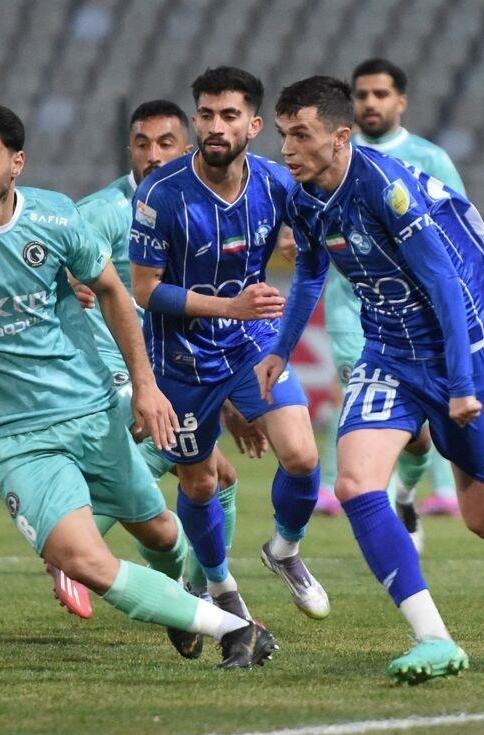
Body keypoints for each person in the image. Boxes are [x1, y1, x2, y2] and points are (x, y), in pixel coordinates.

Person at [0, 102, 274, 669]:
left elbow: (112, 290)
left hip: (93, 413)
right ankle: (234, 628)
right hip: (15, 436)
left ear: (16, 163)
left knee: (162, 533)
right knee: (80, 558)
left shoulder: (58, 217)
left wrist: (145, 387)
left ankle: (181, 600)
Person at [264, 76, 484, 683]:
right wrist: (281, 350)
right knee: (355, 484)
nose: (288, 149)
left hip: (461, 348)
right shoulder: (303, 198)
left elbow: (445, 285)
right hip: (387, 352)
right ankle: (433, 637)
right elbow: (309, 273)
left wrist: (462, 383)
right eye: (283, 135)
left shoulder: (385, 186)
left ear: (340, 137)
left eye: (301, 135)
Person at [49, 100, 267, 663]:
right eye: (142, 144)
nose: (153, 154)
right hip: (116, 369)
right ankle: (74, 550)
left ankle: (190, 590)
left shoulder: (192, 202)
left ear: (186, 145)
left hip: (175, 365)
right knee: (182, 465)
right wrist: (67, 285)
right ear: (129, 149)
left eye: (165, 143)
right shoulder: (102, 211)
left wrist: (230, 403)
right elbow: (46, 266)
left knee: (215, 478)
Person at [128, 67, 328, 621]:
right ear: (196, 122)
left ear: (253, 126)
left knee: (302, 456)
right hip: (180, 358)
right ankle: (219, 585)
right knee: (201, 484)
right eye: (207, 115)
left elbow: (314, 250)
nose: (216, 126)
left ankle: (284, 549)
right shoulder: (160, 193)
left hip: (250, 343)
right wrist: (228, 307)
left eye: (230, 115)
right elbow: (145, 290)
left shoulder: (277, 184)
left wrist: (297, 246)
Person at [310, 59, 467, 544]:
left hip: (418, 316)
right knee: (356, 398)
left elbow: (459, 229)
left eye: (380, 94)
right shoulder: (332, 156)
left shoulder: (429, 157)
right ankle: (364, 500)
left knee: (421, 422)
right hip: (350, 310)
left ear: (401, 101)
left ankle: (411, 491)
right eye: (362, 95)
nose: (370, 103)